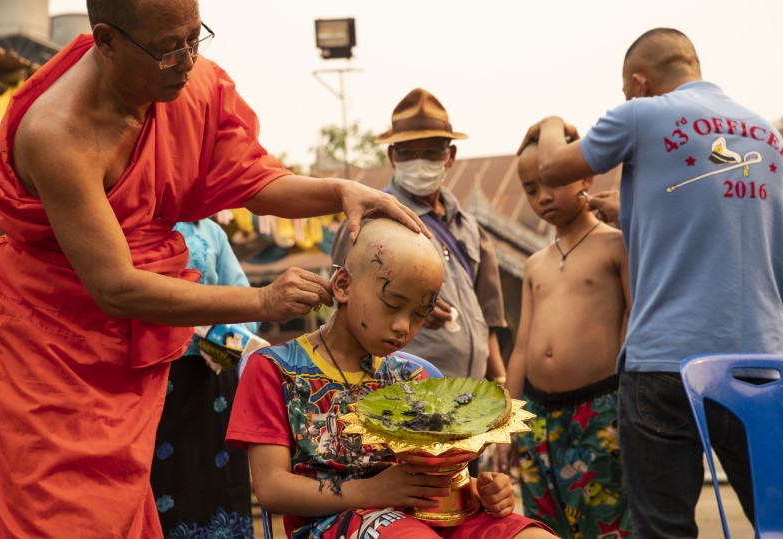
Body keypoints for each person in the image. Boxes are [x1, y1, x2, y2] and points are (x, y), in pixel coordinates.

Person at [0, 0, 426, 536]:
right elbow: (116, 288)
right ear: (107, 40)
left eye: (196, 39)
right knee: (58, 515)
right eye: (169, 49)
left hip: (137, 364)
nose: (188, 62)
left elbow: (250, 178)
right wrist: (261, 301)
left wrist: (338, 190)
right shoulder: (58, 132)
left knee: (119, 512)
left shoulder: (189, 85)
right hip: (46, 348)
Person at [517, 27, 783, 538]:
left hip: (667, 366)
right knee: (773, 522)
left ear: (639, 83)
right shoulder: (769, 137)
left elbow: (552, 166)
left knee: (663, 530)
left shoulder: (642, 114)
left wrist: (551, 122)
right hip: (762, 364)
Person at [226, 218, 556, 539]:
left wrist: (483, 489)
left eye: (419, 314)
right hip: (335, 523)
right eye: (393, 304)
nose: (403, 327)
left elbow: (442, 476)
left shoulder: (418, 376)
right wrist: (372, 491)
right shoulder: (274, 369)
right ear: (343, 286)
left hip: (430, 517)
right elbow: (271, 488)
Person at [331, 88, 508, 386]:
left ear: (450, 156)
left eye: (430, 152)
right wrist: (412, 309)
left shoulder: (470, 229)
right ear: (392, 156)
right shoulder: (368, 219)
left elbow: (488, 322)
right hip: (399, 389)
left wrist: (500, 382)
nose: (419, 161)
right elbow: (341, 309)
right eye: (407, 152)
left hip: (471, 391)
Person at [505, 142, 631, 537]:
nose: (542, 196)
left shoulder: (617, 244)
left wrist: (631, 402)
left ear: (587, 179)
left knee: (608, 521)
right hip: (537, 414)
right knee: (544, 525)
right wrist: (507, 420)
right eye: (530, 188)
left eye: (553, 181)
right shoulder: (534, 263)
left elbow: (635, 321)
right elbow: (522, 346)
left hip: (600, 410)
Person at [149, 218, 260, 538]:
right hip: (153, 376)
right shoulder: (134, 219)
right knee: (159, 481)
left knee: (218, 483)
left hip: (211, 376)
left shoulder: (210, 230)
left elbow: (245, 302)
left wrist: (226, 337)